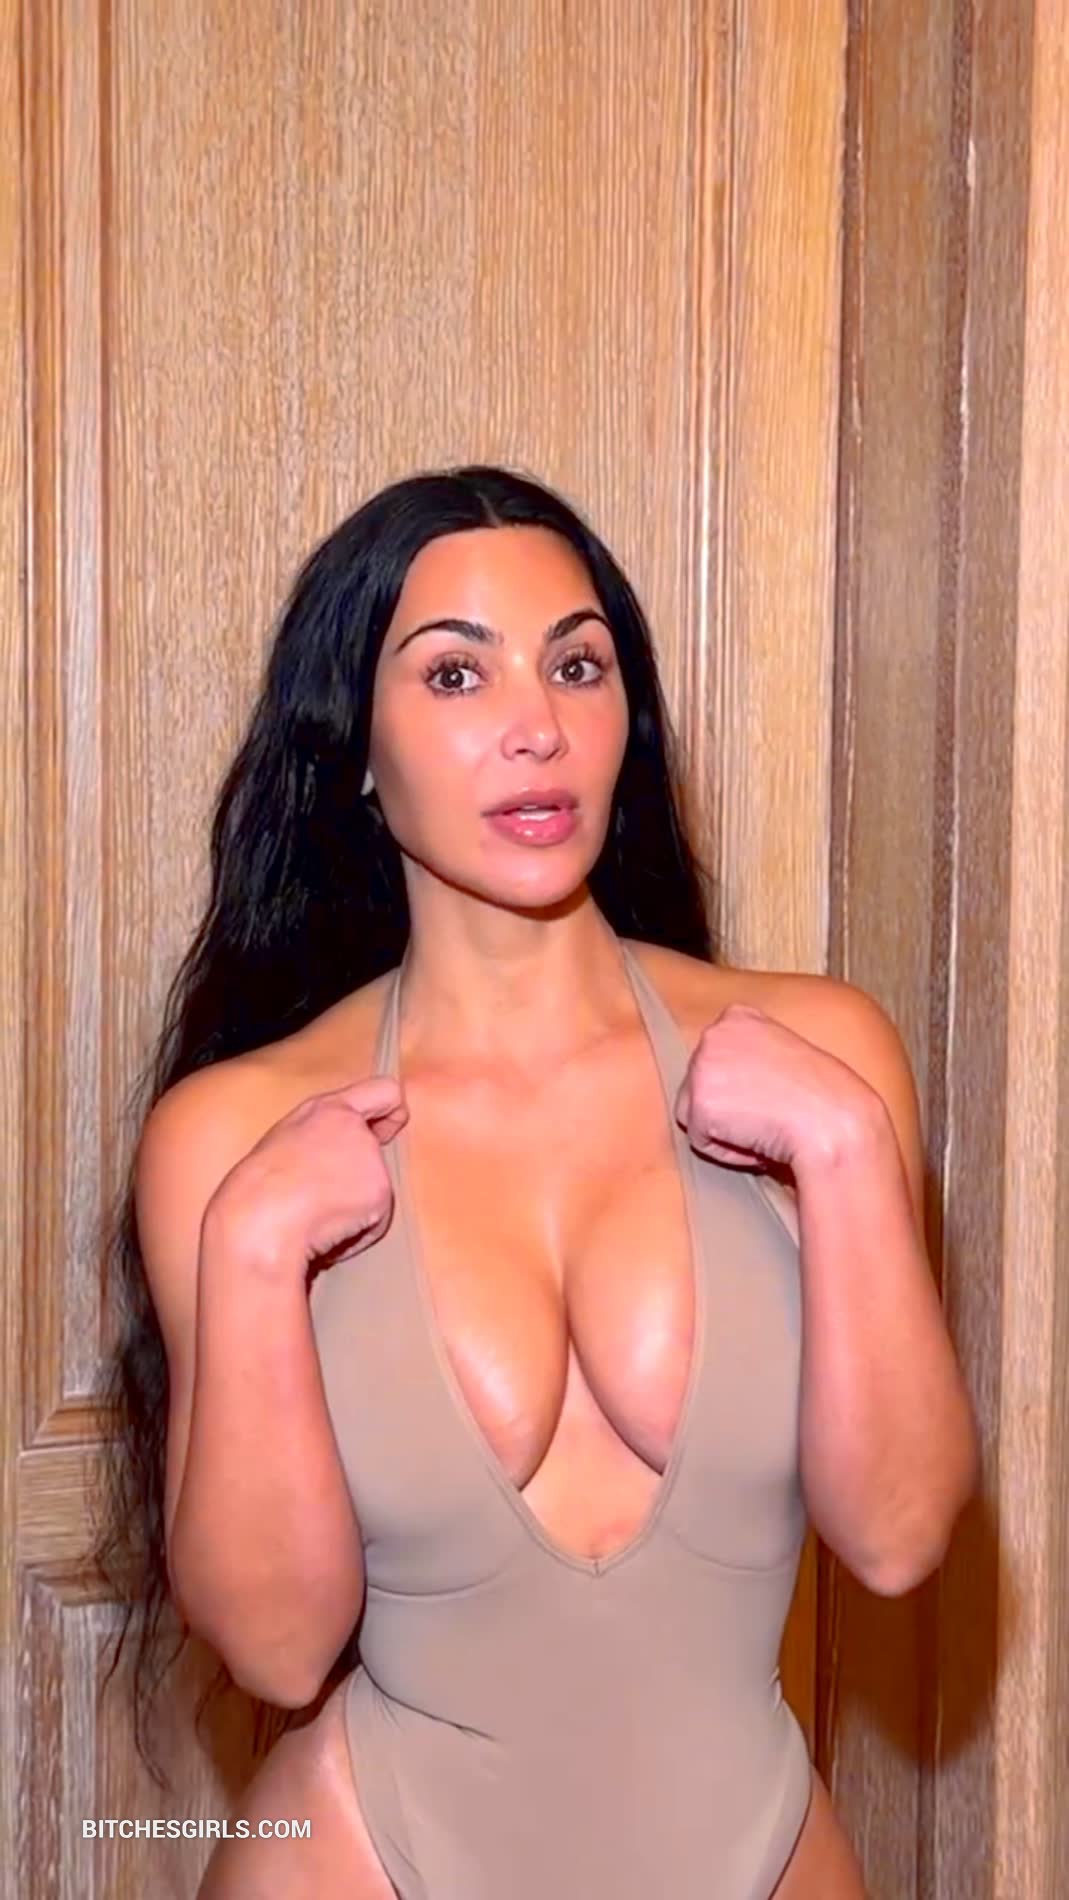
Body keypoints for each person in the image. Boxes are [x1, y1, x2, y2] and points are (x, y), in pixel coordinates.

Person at [93, 465, 978, 1898]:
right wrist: (252, 1251)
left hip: (757, 1857)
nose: (536, 726)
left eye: (577, 666)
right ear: (354, 748)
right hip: (365, 1861)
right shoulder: (234, 1135)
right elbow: (277, 1648)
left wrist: (845, 1153)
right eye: (456, 674)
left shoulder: (825, 1059)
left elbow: (898, 1535)